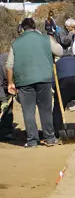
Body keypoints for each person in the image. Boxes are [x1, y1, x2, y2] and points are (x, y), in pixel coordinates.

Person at [5, 18, 64, 147]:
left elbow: (9, 65)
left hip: (24, 81)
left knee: (28, 112)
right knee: (45, 110)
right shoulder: (45, 38)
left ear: (22, 28)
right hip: (43, 79)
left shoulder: (15, 43)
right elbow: (60, 51)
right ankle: (50, 138)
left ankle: (32, 140)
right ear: (35, 26)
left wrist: (10, 82)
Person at [0, 51, 13, 140]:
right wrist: (3, 100)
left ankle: (6, 132)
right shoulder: (1, 63)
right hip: (1, 84)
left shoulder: (20, 61)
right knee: (3, 105)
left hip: (9, 86)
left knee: (8, 110)